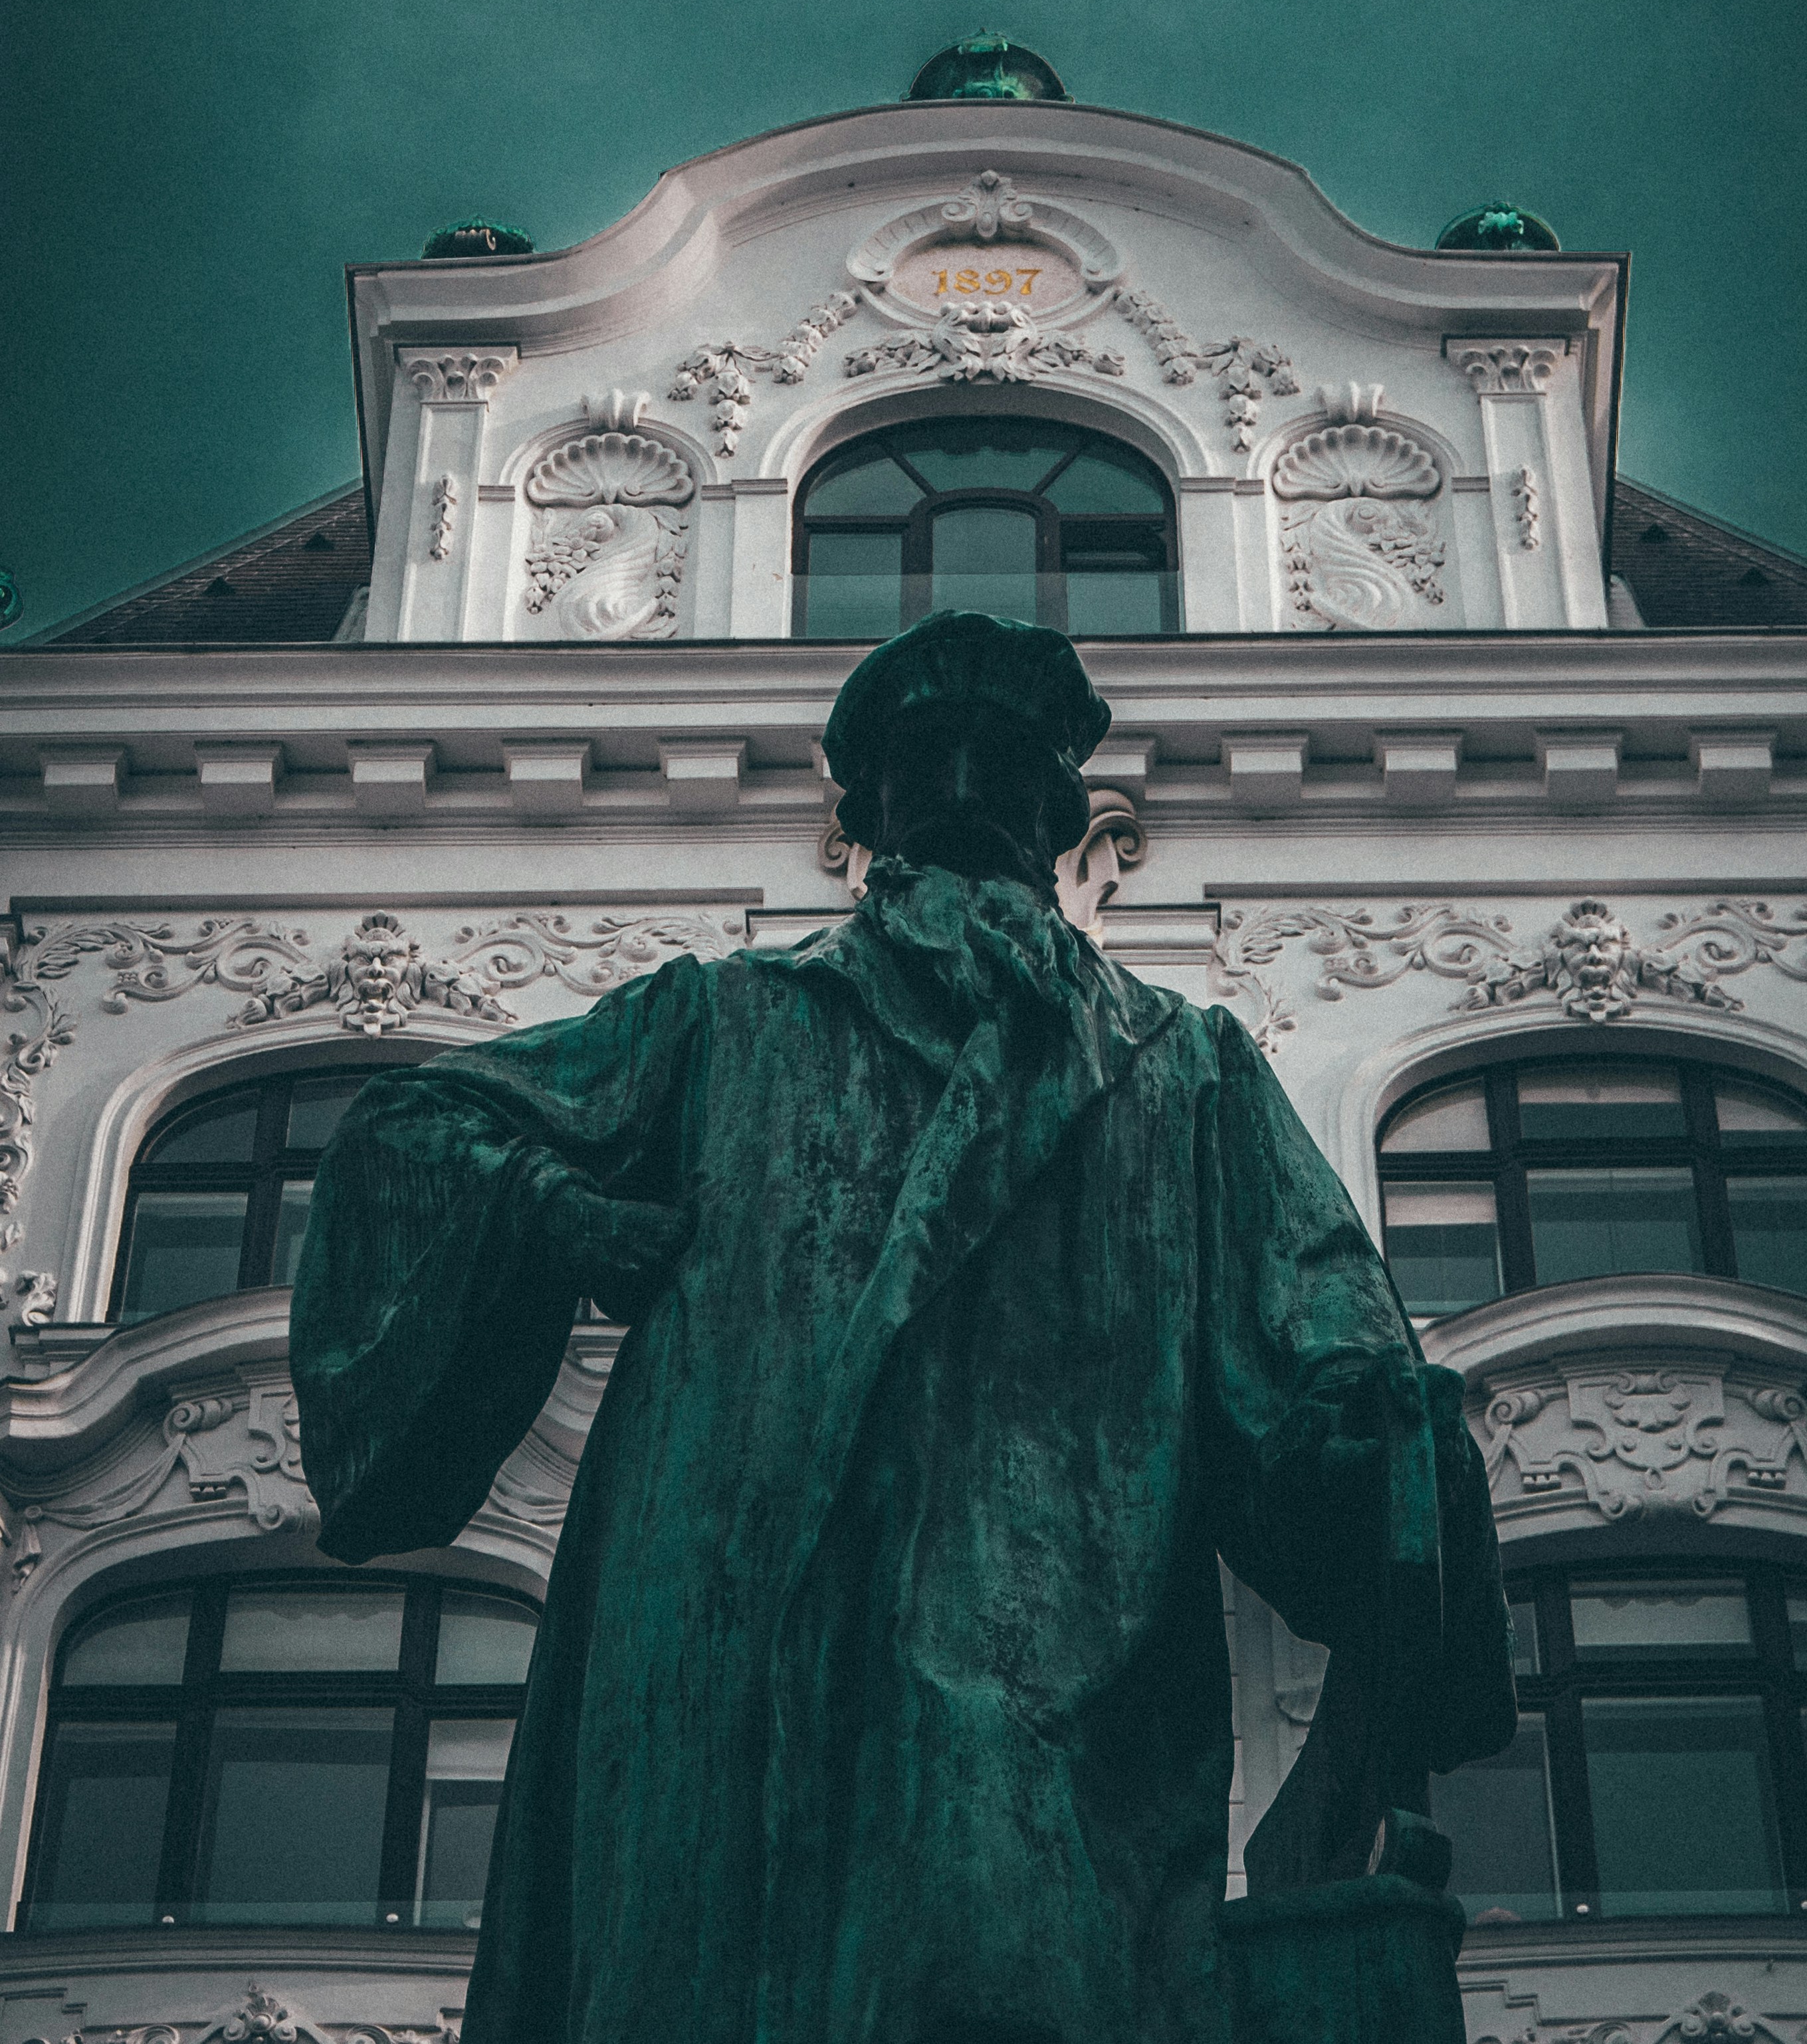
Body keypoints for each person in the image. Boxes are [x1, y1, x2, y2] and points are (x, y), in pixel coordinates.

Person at [292, 611, 1512, 2044]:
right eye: (925, 759)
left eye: (1004, 761)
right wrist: (555, 1210)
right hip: (728, 1619)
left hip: (1056, 1638)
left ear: (1058, 814)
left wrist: (1371, 1442)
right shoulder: (723, 1021)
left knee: (1007, 1957)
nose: (965, 789)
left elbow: (1320, 1329)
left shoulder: (1185, 1068)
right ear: (866, 813)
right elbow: (409, 1127)